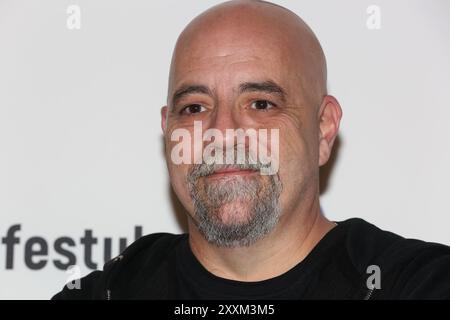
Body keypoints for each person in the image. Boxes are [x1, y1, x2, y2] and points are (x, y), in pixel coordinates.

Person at [52, 0, 450, 300]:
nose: (222, 133)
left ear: (324, 129)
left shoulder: (417, 285)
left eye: (261, 103)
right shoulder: (108, 293)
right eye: (194, 108)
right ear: (168, 130)